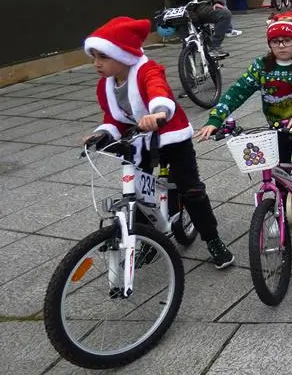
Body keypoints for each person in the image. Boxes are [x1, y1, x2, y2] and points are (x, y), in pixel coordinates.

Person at [83, 17, 234, 267]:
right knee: (138, 195)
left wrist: (159, 112)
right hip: (140, 141)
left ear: (122, 54)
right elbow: (114, 117)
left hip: (169, 135)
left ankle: (213, 240)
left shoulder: (147, 70)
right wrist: (103, 133)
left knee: (191, 190)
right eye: (94, 57)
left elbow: (158, 90)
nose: (96, 63)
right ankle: (149, 239)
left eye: (103, 56)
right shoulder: (106, 86)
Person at [196, 13, 292, 216]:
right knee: (277, 166)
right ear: (269, 44)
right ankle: (279, 209)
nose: (281, 46)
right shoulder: (261, 67)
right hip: (278, 124)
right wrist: (215, 119)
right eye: (275, 41)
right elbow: (237, 92)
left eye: (287, 40)